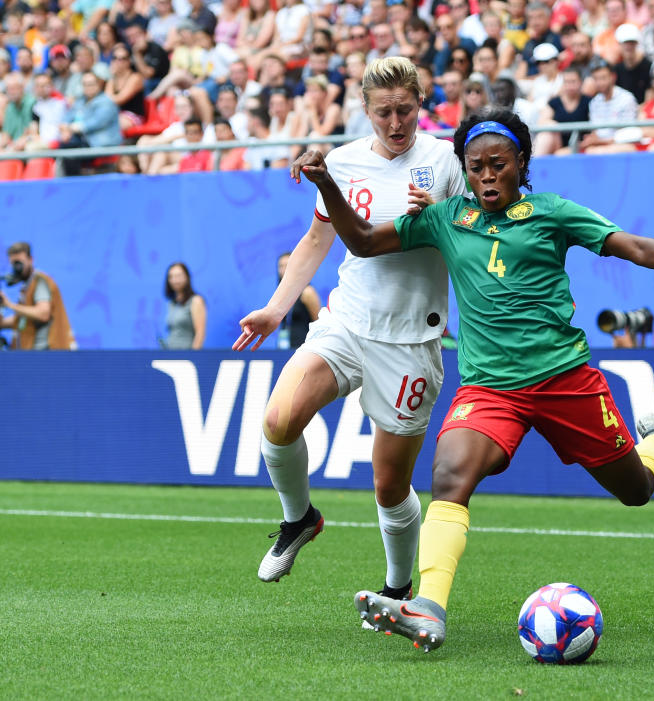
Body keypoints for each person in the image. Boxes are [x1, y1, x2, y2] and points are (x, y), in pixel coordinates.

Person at [296, 106, 654, 653]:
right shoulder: (444, 218)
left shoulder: (551, 213)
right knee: (449, 475)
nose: (486, 176)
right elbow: (363, 240)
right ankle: (429, 607)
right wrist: (327, 185)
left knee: (636, 492)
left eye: (498, 165)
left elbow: (633, 246)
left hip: (565, 381)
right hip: (489, 387)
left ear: (521, 163)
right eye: (476, 166)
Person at [232, 58, 468, 608]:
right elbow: (317, 240)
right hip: (346, 321)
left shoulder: (445, 162)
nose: (395, 122)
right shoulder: (341, 162)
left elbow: (471, 237)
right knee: (278, 420)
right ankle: (300, 519)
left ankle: (397, 588)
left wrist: (441, 216)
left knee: (389, 487)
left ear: (420, 105)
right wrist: (275, 308)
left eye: (405, 110)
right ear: (364, 110)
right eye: (383, 111)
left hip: (410, 339)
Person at [0, 242, 75, 351]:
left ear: (31, 260)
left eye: (19, 263)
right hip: (32, 355)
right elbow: (24, 320)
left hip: (47, 354)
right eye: (13, 264)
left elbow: (43, 313)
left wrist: (10, 305)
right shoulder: (26, 287)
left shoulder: (40, 281)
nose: (17, 269)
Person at [275, 251, 320, 349]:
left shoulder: (307, 292)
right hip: (284, 348)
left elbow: (318, 324)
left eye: (287, 265)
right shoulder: (281, 295)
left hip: (305, 349)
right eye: (281, 266)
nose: (283, 270)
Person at [162, 261, 207, 349]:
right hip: (170, 356)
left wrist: (192, 357)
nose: (175, 280)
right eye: (171, 277)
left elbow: (200, 333)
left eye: (178, 276)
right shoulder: (172, 303)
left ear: (187, 277)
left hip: (186, 358)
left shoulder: (196, 301)